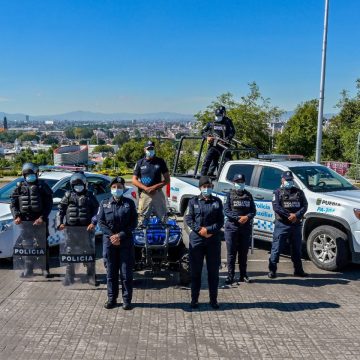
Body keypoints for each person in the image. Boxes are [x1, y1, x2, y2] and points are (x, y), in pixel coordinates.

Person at [98, 176, 138, 310]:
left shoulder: (129, 203)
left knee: (126, 274)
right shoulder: (104, 203)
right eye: (114, 187)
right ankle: (112, 299)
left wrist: (120, 235)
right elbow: (101, 222)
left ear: (123, 189)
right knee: (111, 273)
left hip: (125, 242)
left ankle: (127, 300)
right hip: (109, 243)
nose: (117, 189)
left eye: (119, 187)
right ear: (110, 189)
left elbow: (134, 223)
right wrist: (112, 236)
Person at [185, 176, 224, 309]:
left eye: (209, 186)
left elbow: (220, 221)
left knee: (213, 272)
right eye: (204, 186)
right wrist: (199, 230)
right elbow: (188, 219)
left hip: (213, 239)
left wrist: (208, 230)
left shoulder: (217, 202)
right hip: (197, 240)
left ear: (212, 187)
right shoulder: (193, 201)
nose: (207, 188)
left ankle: (213, 300)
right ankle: (194, 300)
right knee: (195, 272)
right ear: (200, 188)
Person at [10, 162, 53, 278]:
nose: (30, 176)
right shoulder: (19, 188)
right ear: (24, 175)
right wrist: (16, 216)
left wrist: (42, 217)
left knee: (42, 245)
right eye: (27, 174)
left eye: (32, 174)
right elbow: (13, 204)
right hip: (25, 222)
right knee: (26, 246)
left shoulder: (42, 186)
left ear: (36, 174)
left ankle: (45, 269)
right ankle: (28, 269)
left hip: (40, 221)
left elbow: (49, 204)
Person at [56, 172, 99, 285]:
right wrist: (59, 223)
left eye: (80, 185)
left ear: (85, 184)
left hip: (87, 229)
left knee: (89, 252)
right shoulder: (68, 195)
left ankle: (91, 276)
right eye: (75, 185)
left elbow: (97, 211)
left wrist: (94, 222)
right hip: (71, 230)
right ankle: (69, 276)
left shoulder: (90, 196)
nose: (78, 187)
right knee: (70, 252)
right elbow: (60, 211)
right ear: (72, 185)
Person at [268, 171, 308, 278]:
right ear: (282, 180)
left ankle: (298, 270)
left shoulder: (299, 192)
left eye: (290, 180)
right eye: (287, 180)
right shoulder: (277, 192)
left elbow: (305, 205)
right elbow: (276, 207)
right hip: (282, 224)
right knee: (276, 248)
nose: (289, 182)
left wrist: (297, 215)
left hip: (295, 225)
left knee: (297, 249)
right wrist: (289, 215)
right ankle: (272, 270)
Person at [224, 174, 256, 285]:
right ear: (234, 183)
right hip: (232, 227)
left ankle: (243, 275)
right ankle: (230, 276)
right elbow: (226, 210)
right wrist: (238, 218)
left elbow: (253, 210)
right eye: (238, 181)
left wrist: (247, 217)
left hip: (245, 228)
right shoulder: (229, 195)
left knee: (243, 253)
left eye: (242, 181)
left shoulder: (248, 195)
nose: (240, 183)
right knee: (231, 253)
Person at [132, 140, 170, 225]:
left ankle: (164, 237)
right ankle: (143, 237)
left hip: (158, 194)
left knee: (164, 219)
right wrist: (146, 188)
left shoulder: (160, 161)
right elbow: (134, 180)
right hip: (145, 194)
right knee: (142, 221)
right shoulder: (140, 163)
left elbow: (167, 180)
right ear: (144, 149)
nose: (150, 150)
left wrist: (154, 187)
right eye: (148, 148)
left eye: (152, 148)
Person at [200, 106, 236, 177]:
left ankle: (228, 177)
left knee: (228, 162)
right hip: (213, 146)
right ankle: (202, 176)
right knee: (207, 161)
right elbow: (202, 131)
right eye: (217, 115)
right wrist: (208, 137)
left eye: (219, 115)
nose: (218, 117)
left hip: (224, 146)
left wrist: (227, 139)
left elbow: (232, 132)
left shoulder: (227, 123)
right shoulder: (211, 123)